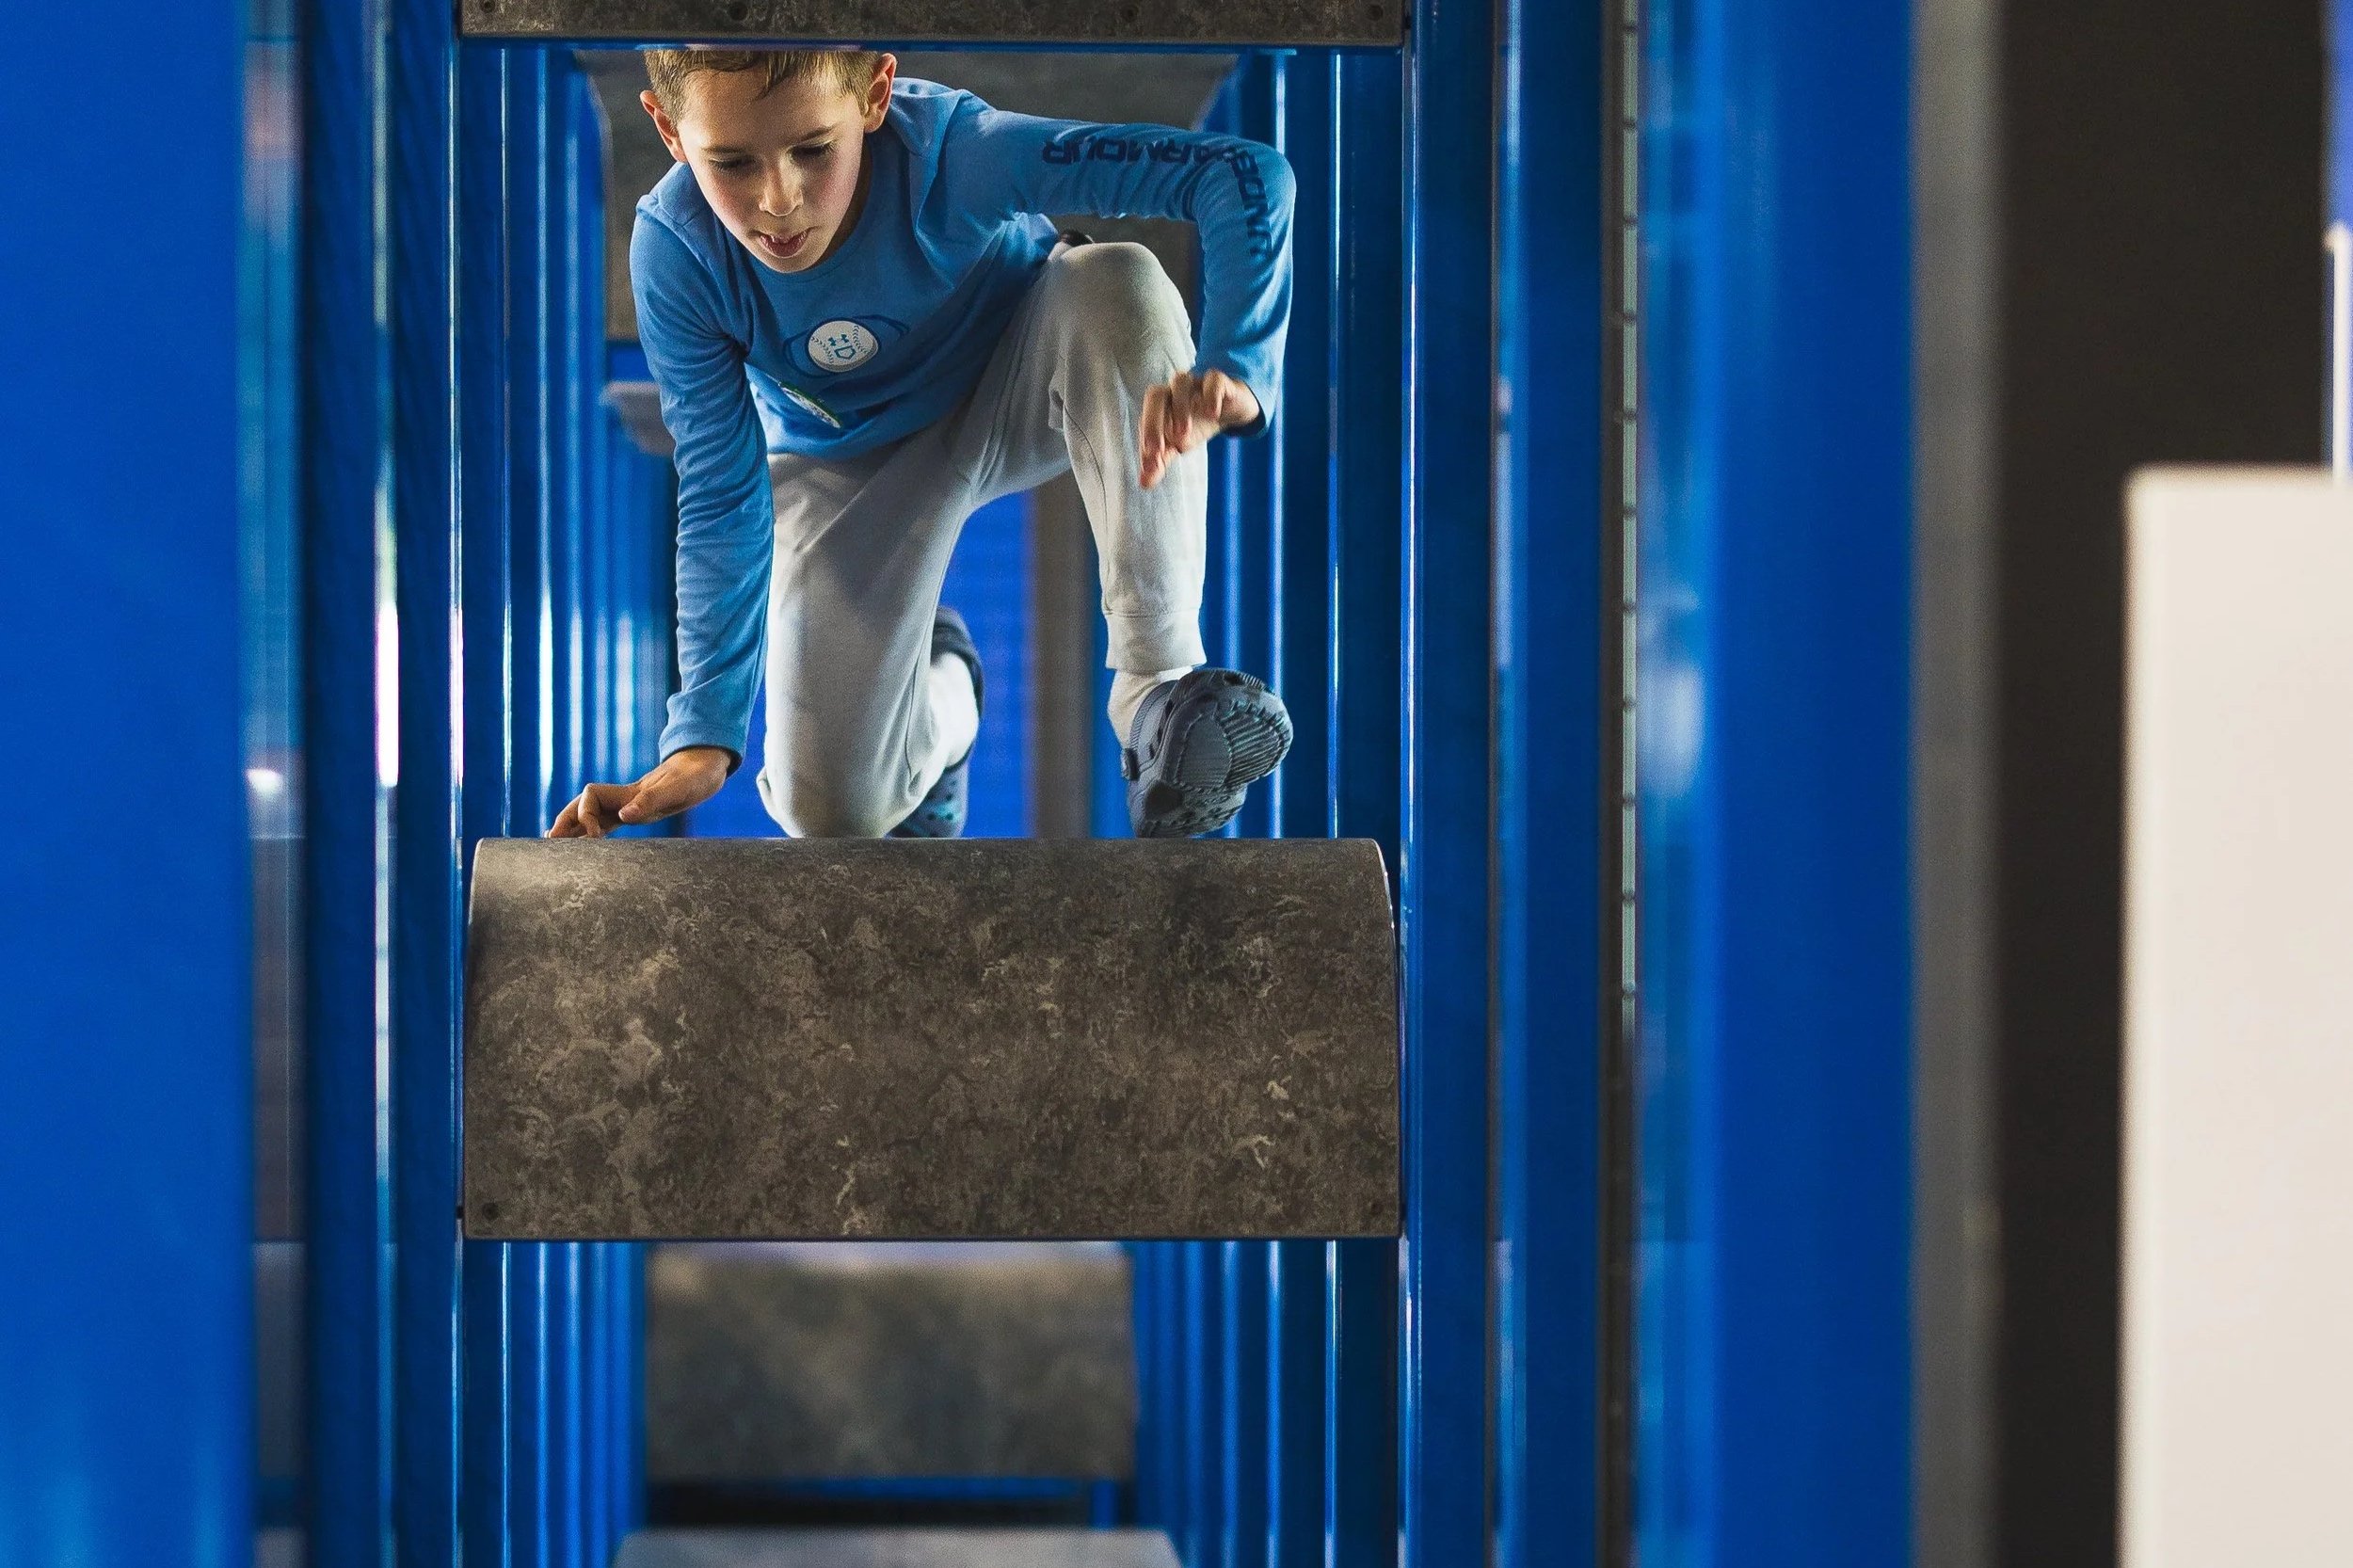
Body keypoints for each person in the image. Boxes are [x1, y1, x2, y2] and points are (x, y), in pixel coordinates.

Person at [549, 47, 1296, 841]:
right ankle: (948, 707)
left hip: (1018, 379)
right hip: (841, 460)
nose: (780, 200)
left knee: (1117, 281)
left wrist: (1239, 366)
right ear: (668, 130)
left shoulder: (953, 152)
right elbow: (721, 490)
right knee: (832, 815)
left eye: (813, 150)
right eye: (731, 162)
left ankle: (1158, 694)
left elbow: (1240, 172)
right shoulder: (678, 251)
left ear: (874, 95)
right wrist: (701, 734)